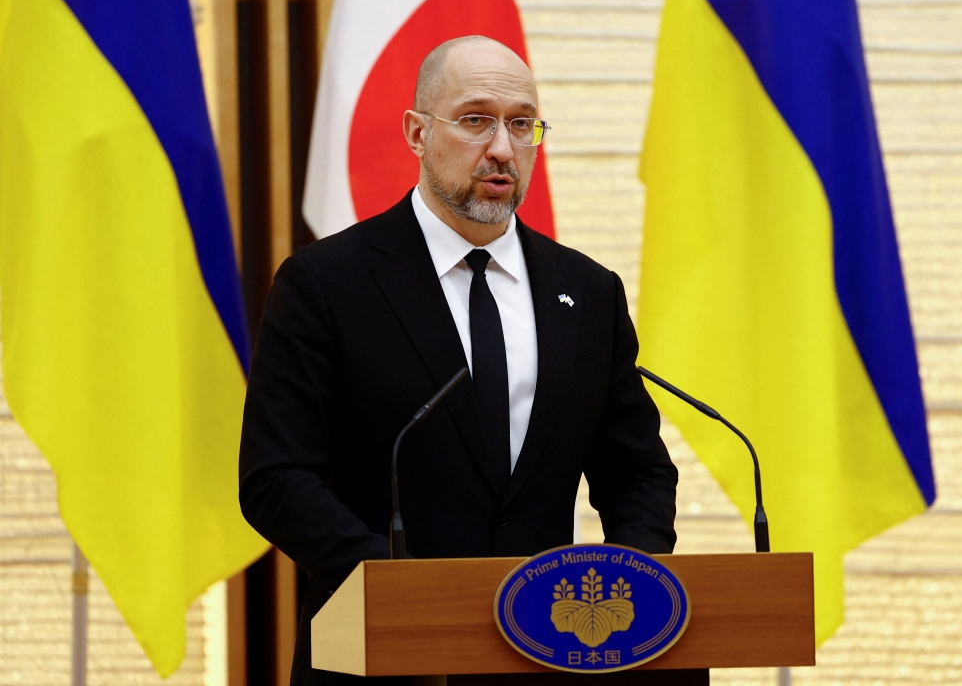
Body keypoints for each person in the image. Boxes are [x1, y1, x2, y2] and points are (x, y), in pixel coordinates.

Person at [239, 35, 678, 685]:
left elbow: (636, 471)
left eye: (522, 124)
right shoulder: (327, 284)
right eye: (476, 120)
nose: (502, 148)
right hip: (382, 658)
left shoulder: (587, 293)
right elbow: (277, 479)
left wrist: (630, 586)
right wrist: (409, 592)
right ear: (418, 133)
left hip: (549, 659)